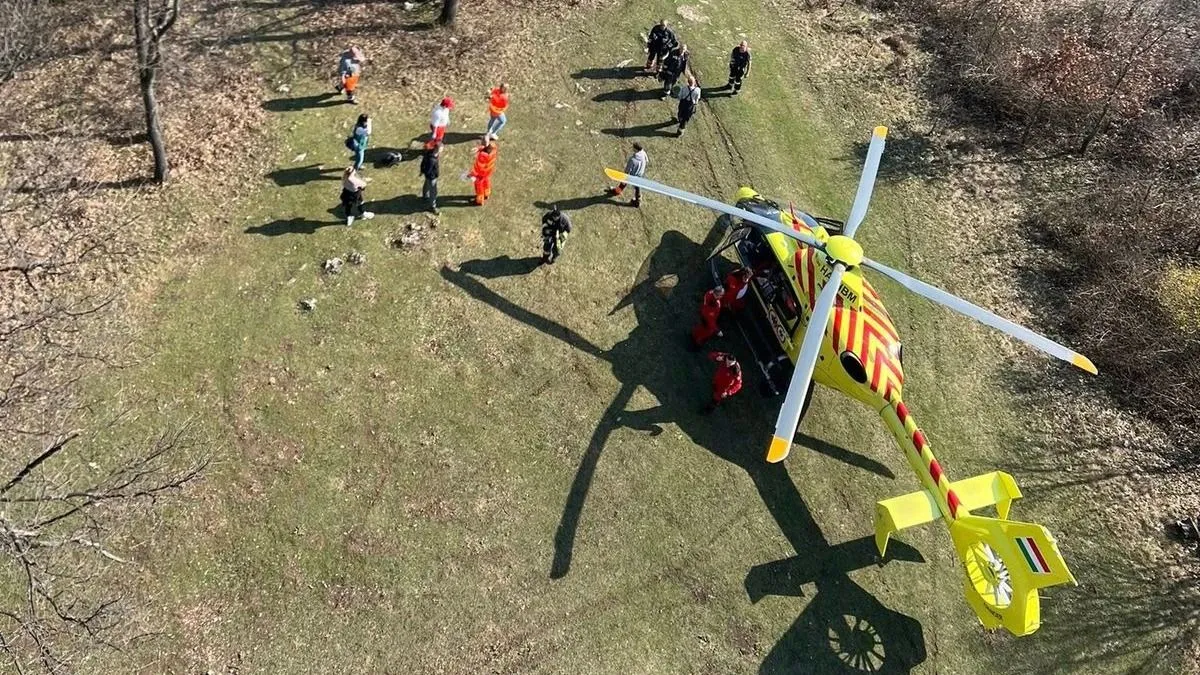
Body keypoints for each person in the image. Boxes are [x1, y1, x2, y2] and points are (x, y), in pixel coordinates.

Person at [611, 142, 648, 207]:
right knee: (638, 187)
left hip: (633, 175)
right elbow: (647, 160)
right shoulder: (644, 153)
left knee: (625, 183)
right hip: (640, 173)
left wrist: (624, 179)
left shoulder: (633, 159)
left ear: (636, 149)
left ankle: (618, 191)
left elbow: (627, 170)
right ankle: (638, 200)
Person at [468, 138, 498, 206]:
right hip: (488, 172)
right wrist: (480, 148)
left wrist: (472, 174)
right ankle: (487, 194)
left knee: (479, 186)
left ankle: (480, 200)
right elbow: (488, 147)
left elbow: (478, 167)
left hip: (480, 174)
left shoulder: (482, 156)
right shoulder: (494, 149)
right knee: (486, 182)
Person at [419, 142, 441, 214]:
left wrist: (422, 171)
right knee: (433, 192)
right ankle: (432, 207)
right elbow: (428, 170)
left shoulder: (429, 153)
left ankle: (425, 196)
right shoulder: (432, 160)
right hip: (432, 177)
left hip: (428, 176)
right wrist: (430, 174)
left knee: (426, 184)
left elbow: (423, 162)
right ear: (438, 149)